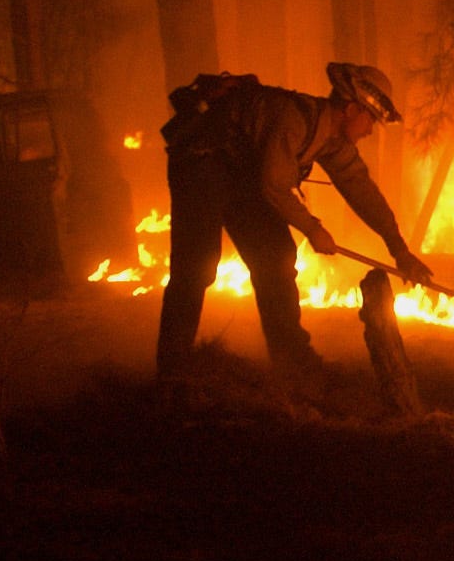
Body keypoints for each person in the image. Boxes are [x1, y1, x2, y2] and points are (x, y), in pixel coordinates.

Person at [155, 61, 434, 381]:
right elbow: (273, 185)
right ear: (353, 109)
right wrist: (313, 229)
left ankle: (292, 362)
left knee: (275, 257)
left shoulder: (331, 139)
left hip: (240, 175)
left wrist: (399, 250)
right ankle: (173, 370)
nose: (370, 130)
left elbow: (362, 190)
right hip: (201, 162)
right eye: (371, 119)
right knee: (197, 265)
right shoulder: (295, 121)